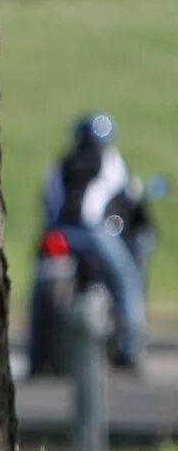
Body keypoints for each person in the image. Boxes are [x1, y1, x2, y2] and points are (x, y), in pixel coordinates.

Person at [42, 113, 149, 368]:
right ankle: (129, 348)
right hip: (94, 233)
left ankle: (39, 354)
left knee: (42, 278)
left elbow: (48, 200)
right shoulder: (111, 162)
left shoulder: (61, 164)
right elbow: (132, 196)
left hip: (58, 231)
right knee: (126, 279)